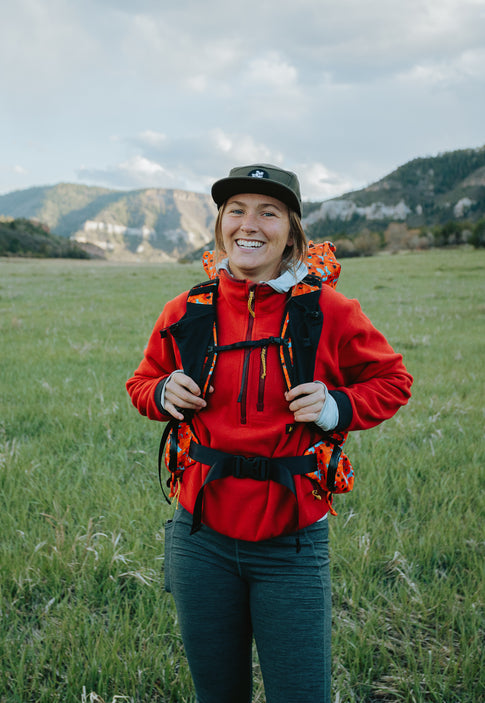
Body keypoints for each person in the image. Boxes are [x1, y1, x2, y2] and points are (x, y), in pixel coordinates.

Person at [126, 164, 413, 703]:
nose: (248, 224)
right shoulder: (187, 310)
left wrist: (337, 407)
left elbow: (393, 380)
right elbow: (140, 383)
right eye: (236, 210)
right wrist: (162, 393)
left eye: (268, 211)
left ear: (292, 230)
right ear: (220, 224)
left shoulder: (327, 310)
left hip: (293, 542)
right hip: (200, 538)